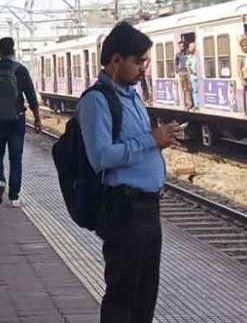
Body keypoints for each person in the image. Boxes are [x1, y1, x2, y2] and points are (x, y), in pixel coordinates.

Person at [77, 22, 179, 323]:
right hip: (124, 207)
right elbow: (101, 157)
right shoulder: (97, 100)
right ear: (116, 60)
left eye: (145, 62)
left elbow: (136, 144)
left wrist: (158, 143)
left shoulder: (132, 95)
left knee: (146, 293)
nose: (142, 69)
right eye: (138, 61)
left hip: (147, 205)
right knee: (123, 294)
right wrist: (151, 140)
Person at [0, 38, 42, 208]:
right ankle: (14, 197)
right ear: (13, 52)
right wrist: (37, 118)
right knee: (16, 158)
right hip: (16, 119)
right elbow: (31, 96)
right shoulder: (20, 70)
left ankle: (0, 180)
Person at [186, 40, 199, 109]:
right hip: (193, 75)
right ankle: (196, 104)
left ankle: (198, 103)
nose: (190, 48)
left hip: (198, 75)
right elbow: (188, 66)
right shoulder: (189, 57)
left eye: (191, 47)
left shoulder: (197, 56)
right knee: (195, 90)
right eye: (189, 47)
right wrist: (189, 75)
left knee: (198, 89)